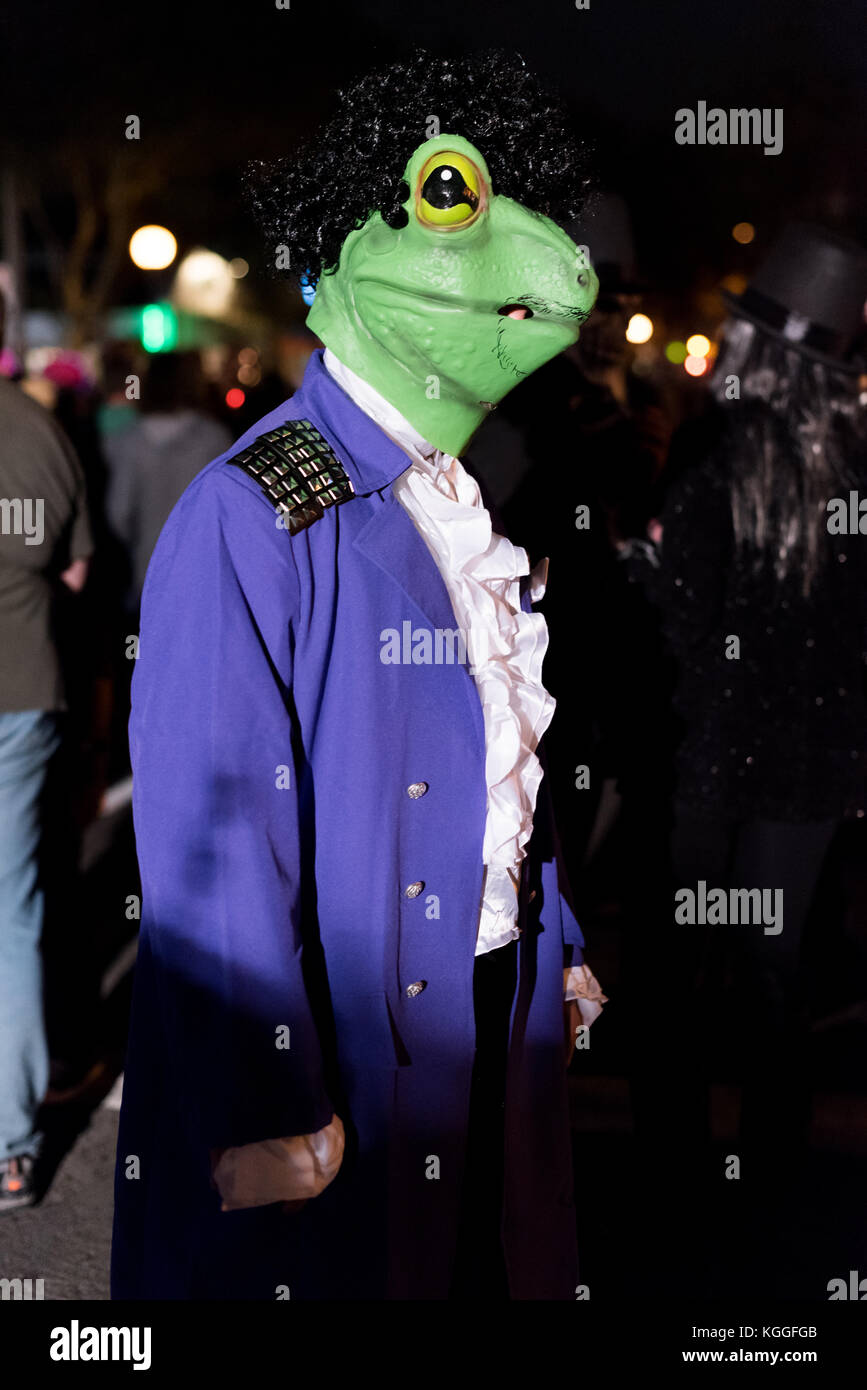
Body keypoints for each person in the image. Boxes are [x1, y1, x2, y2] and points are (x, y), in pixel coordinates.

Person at [111, 50, 606, 1302]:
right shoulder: (253, 510)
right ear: (344, 247)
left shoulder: (461, 495)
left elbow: (503, 743)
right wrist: (263, 1100)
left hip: (487, 995)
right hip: (347, 1040)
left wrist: (555, 939)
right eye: (453, 198)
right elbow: (214, 837)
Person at [646, 224, 867, 1215]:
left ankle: (676, 1167)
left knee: (687, 961)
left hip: (708, 745)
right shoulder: (851, 471)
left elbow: (680, 613)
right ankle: (773, 1169)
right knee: (774, 966)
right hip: (810, 761)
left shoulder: (714, 451)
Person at [0, 310, 94, 1211]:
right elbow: (74, 574)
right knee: (11, 913)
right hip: (21, 691)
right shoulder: (39, 431)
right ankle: (11, 1150)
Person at [104, 351, 231, 614]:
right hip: (206, 568)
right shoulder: (215, 439)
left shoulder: (130, 442)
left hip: (150, 565)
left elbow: (119, 512)